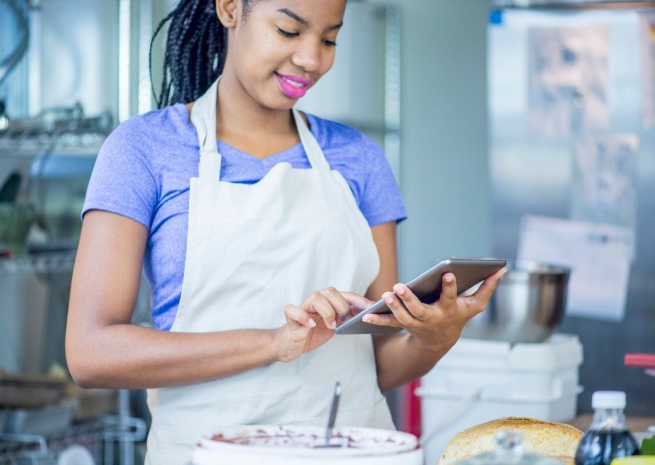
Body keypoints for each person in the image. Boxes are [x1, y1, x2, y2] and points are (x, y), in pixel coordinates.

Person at [65, 0, 506, 463]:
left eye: (329, 38)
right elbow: (91, 353)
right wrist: (273, 343)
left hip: (352, 452)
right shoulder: (143, 150)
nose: (312, 60)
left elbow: (379, 361)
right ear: (231, 9)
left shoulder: (358, 158)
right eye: (289, 31)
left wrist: (433, 338)